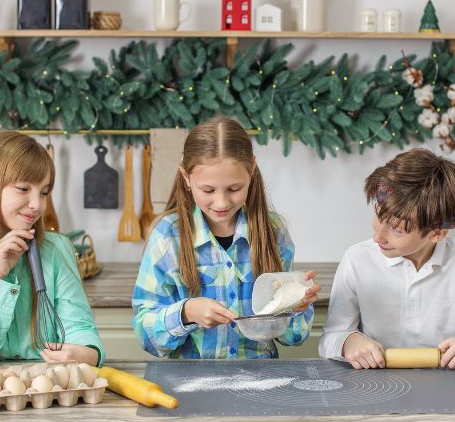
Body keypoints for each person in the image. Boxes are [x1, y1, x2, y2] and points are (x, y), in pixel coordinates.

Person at [132, 116, 320, 359]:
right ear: (186, 178)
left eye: (234, 189)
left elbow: (293, 338)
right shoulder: (168, 237)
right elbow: (145, 335)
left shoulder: (272, 232)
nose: (221, 202)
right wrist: (185, 313)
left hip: (260, 379)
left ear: (252, 170)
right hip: (191, 383)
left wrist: (295, 305)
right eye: (208, 190)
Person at [319, 148, 455, 370]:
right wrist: (348, 342)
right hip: (373, 383)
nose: (378, 235)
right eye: (378, 216)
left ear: (437, 233)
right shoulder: (357, 259)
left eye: (397, 229)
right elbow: (329, 338)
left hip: (444, 383)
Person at [0, 131, 105, 367]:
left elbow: (79, 329)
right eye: (23, 189)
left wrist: (88, 354)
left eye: (44, 192)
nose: (37, 204)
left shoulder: (56, 250)